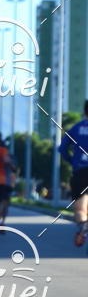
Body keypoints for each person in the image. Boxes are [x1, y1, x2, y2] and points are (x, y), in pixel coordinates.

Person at [58, 101, 88, 246]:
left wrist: (72, 161)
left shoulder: (76, 128)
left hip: (81, 172)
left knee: (80, 209)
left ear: (85, 111)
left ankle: (84, 228)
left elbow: (62, 149)